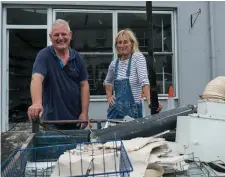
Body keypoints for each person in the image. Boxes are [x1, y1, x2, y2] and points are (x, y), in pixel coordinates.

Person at [27, 19, 90, 129]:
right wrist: (36, 103)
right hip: (50, 122)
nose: (60, 38)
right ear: (50, 37)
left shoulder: (78, 58)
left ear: (70, 35)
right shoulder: (44, 56)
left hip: (74, 121)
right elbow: (36, 78)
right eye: (56, 35)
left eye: (64, 34)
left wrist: (84, 113)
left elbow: (84, 85)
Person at [104, 29, 162, 119]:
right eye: (119, 42)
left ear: (132, 44)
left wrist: (151, 102)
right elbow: (107, 82)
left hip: (133, 112)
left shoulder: (137, 58)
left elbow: (144, 81)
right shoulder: (114, 64)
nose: (122, 45)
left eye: (125, 42)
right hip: (115, 112)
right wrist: (109, 97)